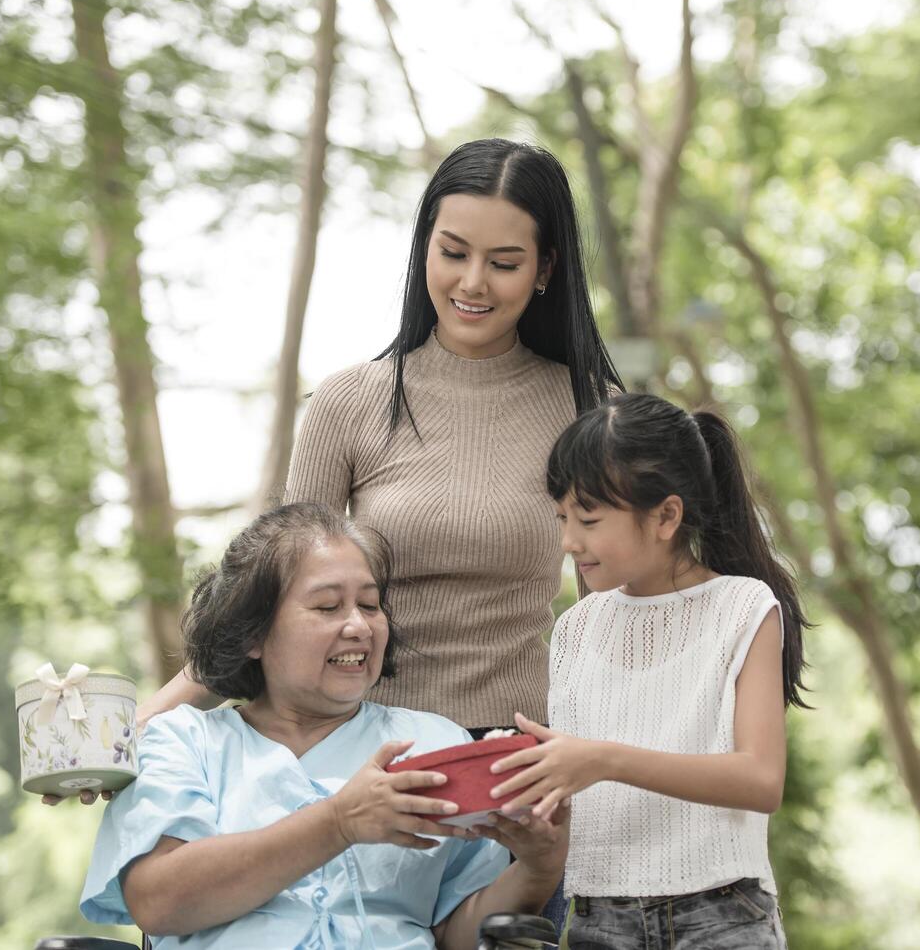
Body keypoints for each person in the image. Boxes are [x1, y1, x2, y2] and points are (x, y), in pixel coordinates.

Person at [137, 138, 620, 740]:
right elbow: (274, 589)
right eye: (452, 253)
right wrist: (142, 723)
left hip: (520, 753)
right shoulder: (348, 403)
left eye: (503, 263)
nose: (472, 283)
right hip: (363, 753)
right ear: (425, 248)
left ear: (545, 268)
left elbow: (618, 612)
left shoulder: (590, 411)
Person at [79, 502, 567, 949]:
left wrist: (539, 867)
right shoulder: (182, 741)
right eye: (328, 607)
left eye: (371, 605)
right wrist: (338, 822)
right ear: (253, 633)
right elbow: (158, 902)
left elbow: (458, 932)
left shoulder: (437, 744)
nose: (359, 626)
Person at [488, 393, 811, 949]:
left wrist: (603, 759)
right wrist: (528, 774)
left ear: (666, 515)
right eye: (562, 518)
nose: (569, 542)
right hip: (595, 919)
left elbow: (760, 781)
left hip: (720, 914)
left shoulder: (743, 607)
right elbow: (579, 795)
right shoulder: (576, 628)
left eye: (588, 519)